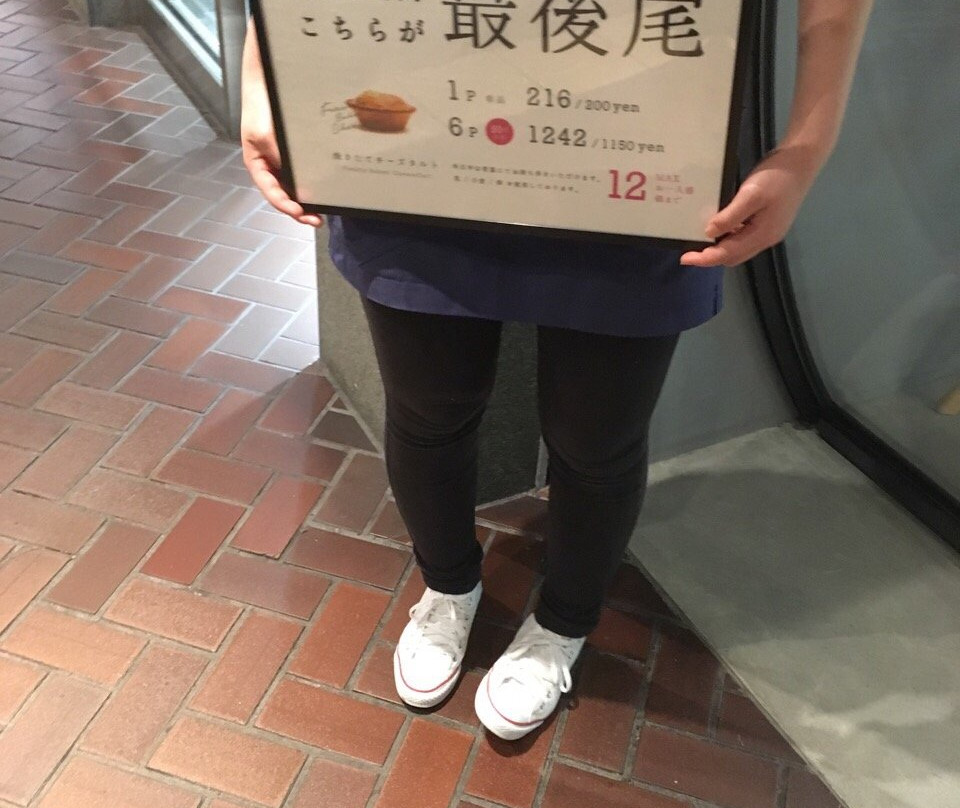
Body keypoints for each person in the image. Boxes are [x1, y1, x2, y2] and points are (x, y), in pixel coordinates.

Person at [241, 1, 874, 740]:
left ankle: (564, 621)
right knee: (428, 408)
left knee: (596, 438)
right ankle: (448, 584)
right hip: (420, 119)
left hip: (635, 128)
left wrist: (806, 147)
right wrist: (265, 72)